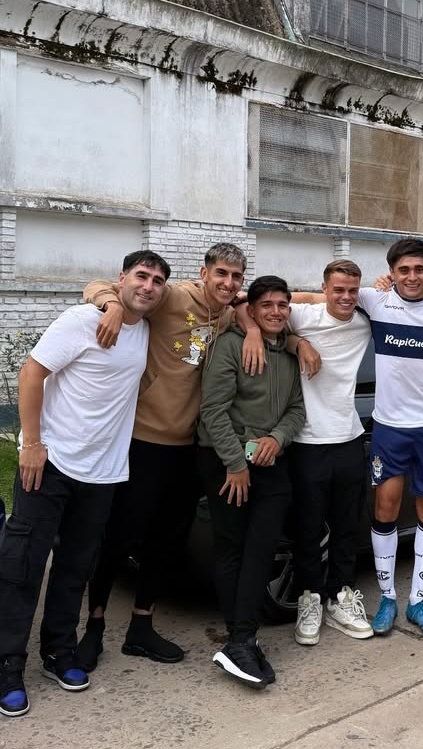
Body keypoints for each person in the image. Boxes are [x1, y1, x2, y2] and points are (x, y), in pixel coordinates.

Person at [0, 250, 170, 718]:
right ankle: (8, 664)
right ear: (122, 279)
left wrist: (113, 304)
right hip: (50, 464)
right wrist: (31, 443)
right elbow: (32, 372)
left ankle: (59, 651)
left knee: (75, 569)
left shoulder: (146, 331)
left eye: (157, 280)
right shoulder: (82, 320)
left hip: (103, 473)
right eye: (141, 276)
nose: (149, 286)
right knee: (22, 566)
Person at [76, 242, 247, 670]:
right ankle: (93, 626)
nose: (228, 283)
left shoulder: (228, 314)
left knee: (166, 541)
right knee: (119, 536)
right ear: (204, 273)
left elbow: (291, 300)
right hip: (143, 440)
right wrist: (112, 305)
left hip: (187, 447)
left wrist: (259, 327)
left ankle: (141, 627)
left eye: (236, 277)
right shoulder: (172, 297)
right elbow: (97, 285)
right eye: (221, 273)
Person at [197, 276, 305, 690]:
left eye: (282, 305)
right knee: (233, 548)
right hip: (226, 462)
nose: (276, 311)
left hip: (270, 461)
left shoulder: (289, 353)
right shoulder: (230, 345)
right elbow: (213, 410)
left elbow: (296, 409)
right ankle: (240, 639)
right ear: (253, 310)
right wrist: (235, 462)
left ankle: (242, 639)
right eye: (267, 305)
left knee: (261, 549)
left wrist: (277, 439)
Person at [360, 238, 423, 641]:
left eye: (419, 269)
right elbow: (320, 298)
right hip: (390, 426)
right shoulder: (375, 300)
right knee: (385, 507)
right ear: (392, 273)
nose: (412, 276)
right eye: (404, 270)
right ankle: (387, 598)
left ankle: (418, 602)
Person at [283, 260, 373, 645]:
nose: (346, 297)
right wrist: (298, 342)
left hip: (349, 437)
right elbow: (250, 308)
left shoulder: (365, 322)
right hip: (307, 442)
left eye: (353, 290)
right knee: (307, 529)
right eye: (338, 290)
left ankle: (341, 597)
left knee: (347, 527)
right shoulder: (303, 317)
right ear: (325, 289)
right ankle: (310, 600)